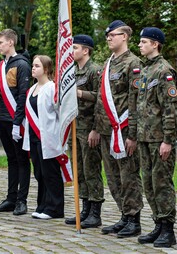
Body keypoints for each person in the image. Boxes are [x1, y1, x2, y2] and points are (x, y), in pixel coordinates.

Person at [88, 20, 143, 237]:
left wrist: (132, 134)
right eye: (107, 35)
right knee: (112, 177)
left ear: (125, 37)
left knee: (128, 176)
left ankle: (134, 219)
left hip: (123, 130)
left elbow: (135, 100)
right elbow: (101, 100)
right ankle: (124, 215)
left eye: (113, 34)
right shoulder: (107, 63)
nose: (109, 38)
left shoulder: (134, 63)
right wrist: (94, 127)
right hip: (105, 130)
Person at [135, 27, 177, 248]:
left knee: (162, 184)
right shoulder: (145, 70)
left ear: (155, 44)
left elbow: (170, 109)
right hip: (144, 137)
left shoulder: (164, 71)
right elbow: (140, 106)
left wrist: (168, 140)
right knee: (149, 185)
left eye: (144, 42)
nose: (140, 45)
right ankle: (158, 224)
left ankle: (168, 229)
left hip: (159, 139)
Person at [64, 35, 104, 228]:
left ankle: (95, 212)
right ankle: (85, 209)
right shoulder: (72, 72)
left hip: (89, 127)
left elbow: (102, 99)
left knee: (91, 170)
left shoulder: (95, 71)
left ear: (85, 50)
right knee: (78, 170)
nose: (72, 52)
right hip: (75, 127)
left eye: (75, 48)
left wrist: (96, 129)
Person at [0, 29, 31, 216]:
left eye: (0, 43)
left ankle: (21, 201)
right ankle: (11, 198)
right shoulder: (0, 65)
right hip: (2, 118)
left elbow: (23, 94)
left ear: (11, 43)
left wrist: (18, 121)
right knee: (11, 159)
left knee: (22, 159)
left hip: (17, 120)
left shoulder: (22, 64)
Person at [23, 55, 64, 219]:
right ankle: (43, 204)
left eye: (37, 66)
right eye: (33, 65)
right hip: (33, 137)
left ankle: (55, 207)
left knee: (50, 172)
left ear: (46, 69)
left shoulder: (51, 88)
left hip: (48, 137)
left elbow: (58, 113)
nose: (33, 68)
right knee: (39, 173)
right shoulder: (32, 89)